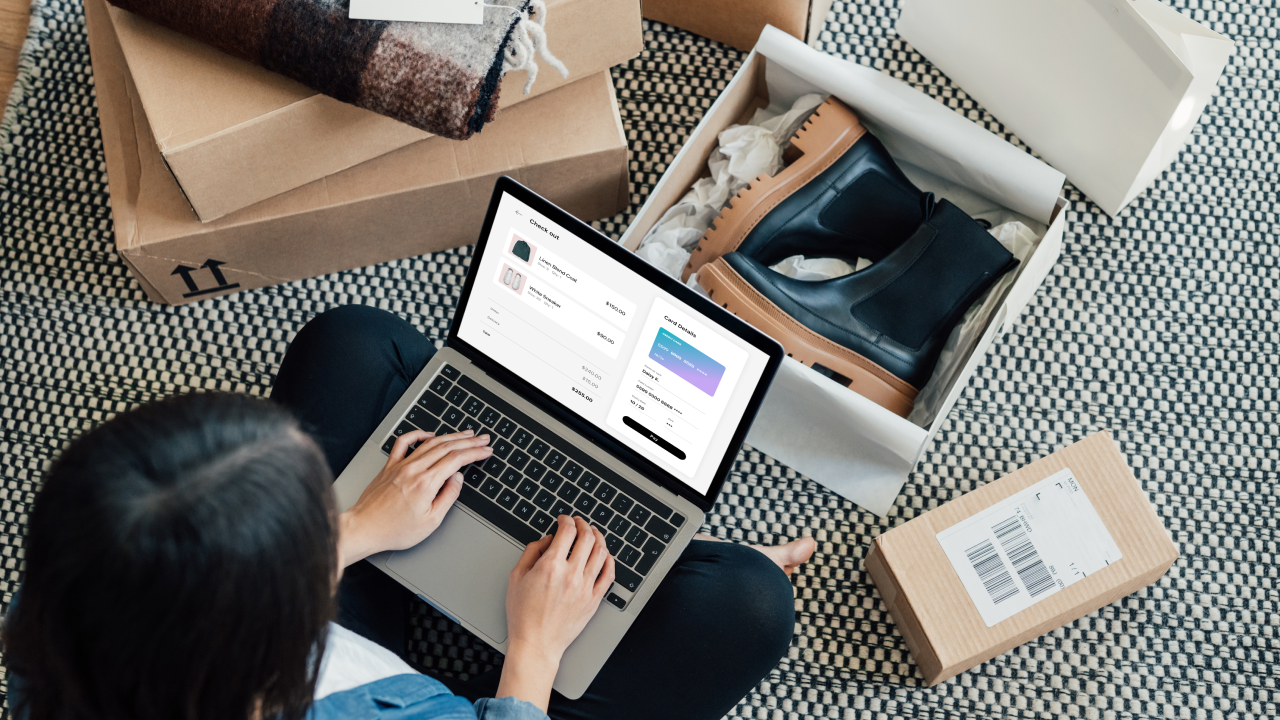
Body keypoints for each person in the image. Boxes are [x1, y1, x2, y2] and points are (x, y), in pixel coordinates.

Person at [3, 305, 815, 720]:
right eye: (311, 524)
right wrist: (533, 648)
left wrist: (360, 525)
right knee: (745, 604)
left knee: (354, 341)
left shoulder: (70, 611)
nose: (331, 507)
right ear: (271, 641)